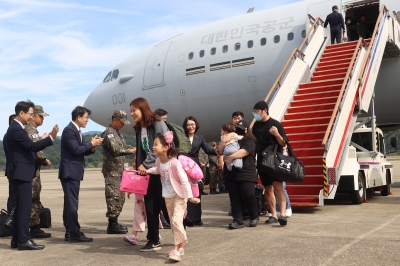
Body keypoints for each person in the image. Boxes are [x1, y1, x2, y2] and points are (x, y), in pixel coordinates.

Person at [5, 100, 57, 250]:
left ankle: (16, 239)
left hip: (19, 173)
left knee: (20, 208)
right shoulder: (17, 129)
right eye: (30, 114)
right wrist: (51, 138)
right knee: (24, 208)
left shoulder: (14, 128)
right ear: (21, 113)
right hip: (21, 174)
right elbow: (32, 146)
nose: (31, 117)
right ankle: (23, 240)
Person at [146, 132, 200, 262]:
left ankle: (176, 249)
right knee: (173, 223)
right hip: (168, 197)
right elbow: (158, 171)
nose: (153, 147)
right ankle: (180, 245)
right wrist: (147, 171)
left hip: (180, 196)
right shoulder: (159, 161)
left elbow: (184, 181)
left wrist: (190, 197)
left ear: (165, 147)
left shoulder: (175, 163)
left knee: (176, 221)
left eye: (156, 144)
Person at [59, 106, 103, 242]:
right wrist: (91, 144)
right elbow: (76, 150)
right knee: (72, 203)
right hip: (70, 172)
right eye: (86, 118)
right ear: (78, 117)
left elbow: (82, 151)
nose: (87, 121)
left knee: (70, 203)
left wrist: (93, 146)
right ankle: (74, 232)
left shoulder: (77, 131)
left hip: (74, 171)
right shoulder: (69, 130)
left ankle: (69, 231)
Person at [131, 97, 169, 251]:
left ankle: (180, 233)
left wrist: (144, 164)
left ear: (143, 108)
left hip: (162, 171)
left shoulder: (158, 123)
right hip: (148, 173)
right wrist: (140, 168)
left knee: (166, 206)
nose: (132, 113)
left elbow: (162, 147)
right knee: (150, 206)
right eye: (131, 111)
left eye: (134, 110)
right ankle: (153, 239)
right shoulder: (140, 128)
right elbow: (142, 150)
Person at [252, 101, 288, 226]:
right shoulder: (256, 126)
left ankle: (282, 214)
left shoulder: (275, 124)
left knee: (278, 186)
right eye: (254, 112)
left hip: (275, 160)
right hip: (262, 161)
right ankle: (273, 214)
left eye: (257, 112)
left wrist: (276, 134)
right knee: (267, 188)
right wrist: (253, 157)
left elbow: (284, 143)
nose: (255, 114)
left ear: (264, 110)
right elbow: (256, 142)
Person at [218, 119, 259, 229]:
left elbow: (245, 151)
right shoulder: (231, 137)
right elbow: (220, 151)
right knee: (234, 197)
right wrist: (224, 141)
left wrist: (232, 157)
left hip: (246, 173)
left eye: (241, 129)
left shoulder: (249, 139)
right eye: (238, 129)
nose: (239, 131)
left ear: (246, 129)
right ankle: (238, 220)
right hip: (231, 173)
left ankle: (254, 216)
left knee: (248, 195)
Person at [101, 110, 136, 234]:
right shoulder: (109, 133)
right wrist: (131, 151)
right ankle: (112, 223)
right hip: (112, 172)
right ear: (114, 120)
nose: (122, 125)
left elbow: (124, 147)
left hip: (119, 171)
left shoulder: (117, 134)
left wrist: (133, 148)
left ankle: (115, 221)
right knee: (113, 197)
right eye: (121, 122)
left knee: (120, 198)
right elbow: (116, 150)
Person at [183, 116, 217, 226]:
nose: (190, 126)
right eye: (188, 124)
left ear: (196, 125)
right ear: (185, 126)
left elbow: (207, 150)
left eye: (192, 124)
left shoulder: (200, 137)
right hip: (183, 165)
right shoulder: (181, 137)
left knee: (196, 191)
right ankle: (187, 217)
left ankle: (197, 218)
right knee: (185, 191)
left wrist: (219, 151)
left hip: (195, 166)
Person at [25, 105, 52, 239]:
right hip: (31, 171)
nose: (43, 119)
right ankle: (33, 227)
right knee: (33, 198)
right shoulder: (31, 130)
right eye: (41, 116)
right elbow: (35, 149)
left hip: (30, 169)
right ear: (34, 116)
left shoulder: (29, 130)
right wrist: (45, 160)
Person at [4, 114, 16, 215]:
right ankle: (10, 218)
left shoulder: (7, 135)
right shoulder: (9, 136)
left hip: (11, 168)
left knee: (13, 195)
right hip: (13, 169)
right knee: (13, 195)